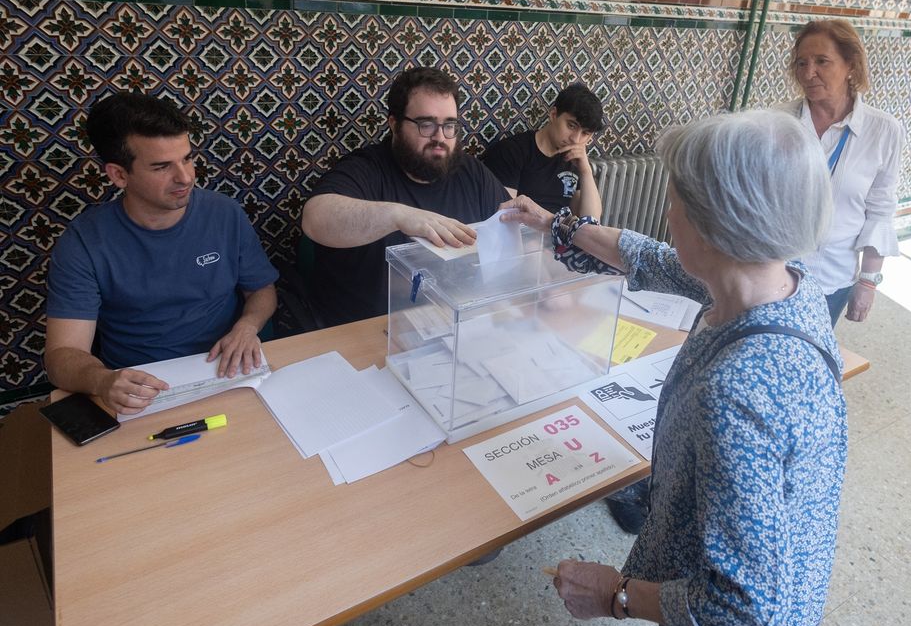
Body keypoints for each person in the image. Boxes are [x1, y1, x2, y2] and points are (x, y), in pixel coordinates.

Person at [501, 110, 847, 626]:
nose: (667, 212)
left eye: (676, 201)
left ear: (718, 224)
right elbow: (654, 258)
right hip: (776, 578)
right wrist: (555, 224)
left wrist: (614, 594)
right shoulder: (788, 286)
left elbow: (742, 614)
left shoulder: (737, 392)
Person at [45, 93, 278, 415]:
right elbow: (61, 355)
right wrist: (102, 380)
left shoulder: (225, 213)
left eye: (187, 158)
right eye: (161, 167)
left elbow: (261, 289)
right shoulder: (83, 242)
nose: (185, 177)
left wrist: (247, 326)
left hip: (229, 370)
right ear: (119, 175)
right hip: (141, 386)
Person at [302, 67, 509, 327]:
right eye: (426, 125)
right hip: (367, 329)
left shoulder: (471, 172)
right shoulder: (365, 169)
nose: (440, 137)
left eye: (449, 125)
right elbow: (315, 218)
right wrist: (398, 215)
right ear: (394, 124)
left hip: (453, 323)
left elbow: (509, 235)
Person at [777, 18, 903, 326]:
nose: (808, 73)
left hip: (831, 279)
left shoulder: (883, 130)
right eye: (801, 63)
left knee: (809, 364)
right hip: (771, 273)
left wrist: (868, 282)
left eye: (822, 61)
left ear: (851, 65)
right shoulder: (778, 122)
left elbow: (880, 210)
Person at [481, 82, 604, 216]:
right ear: (553, 115)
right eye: (571, 126)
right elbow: (504, 216)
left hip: (557, 234)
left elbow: (591, 221)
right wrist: (558, 225)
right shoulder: (512, 151)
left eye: (585, 133)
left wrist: (586, 171)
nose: (576, 139)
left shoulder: (575, 160)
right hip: (522, 235)